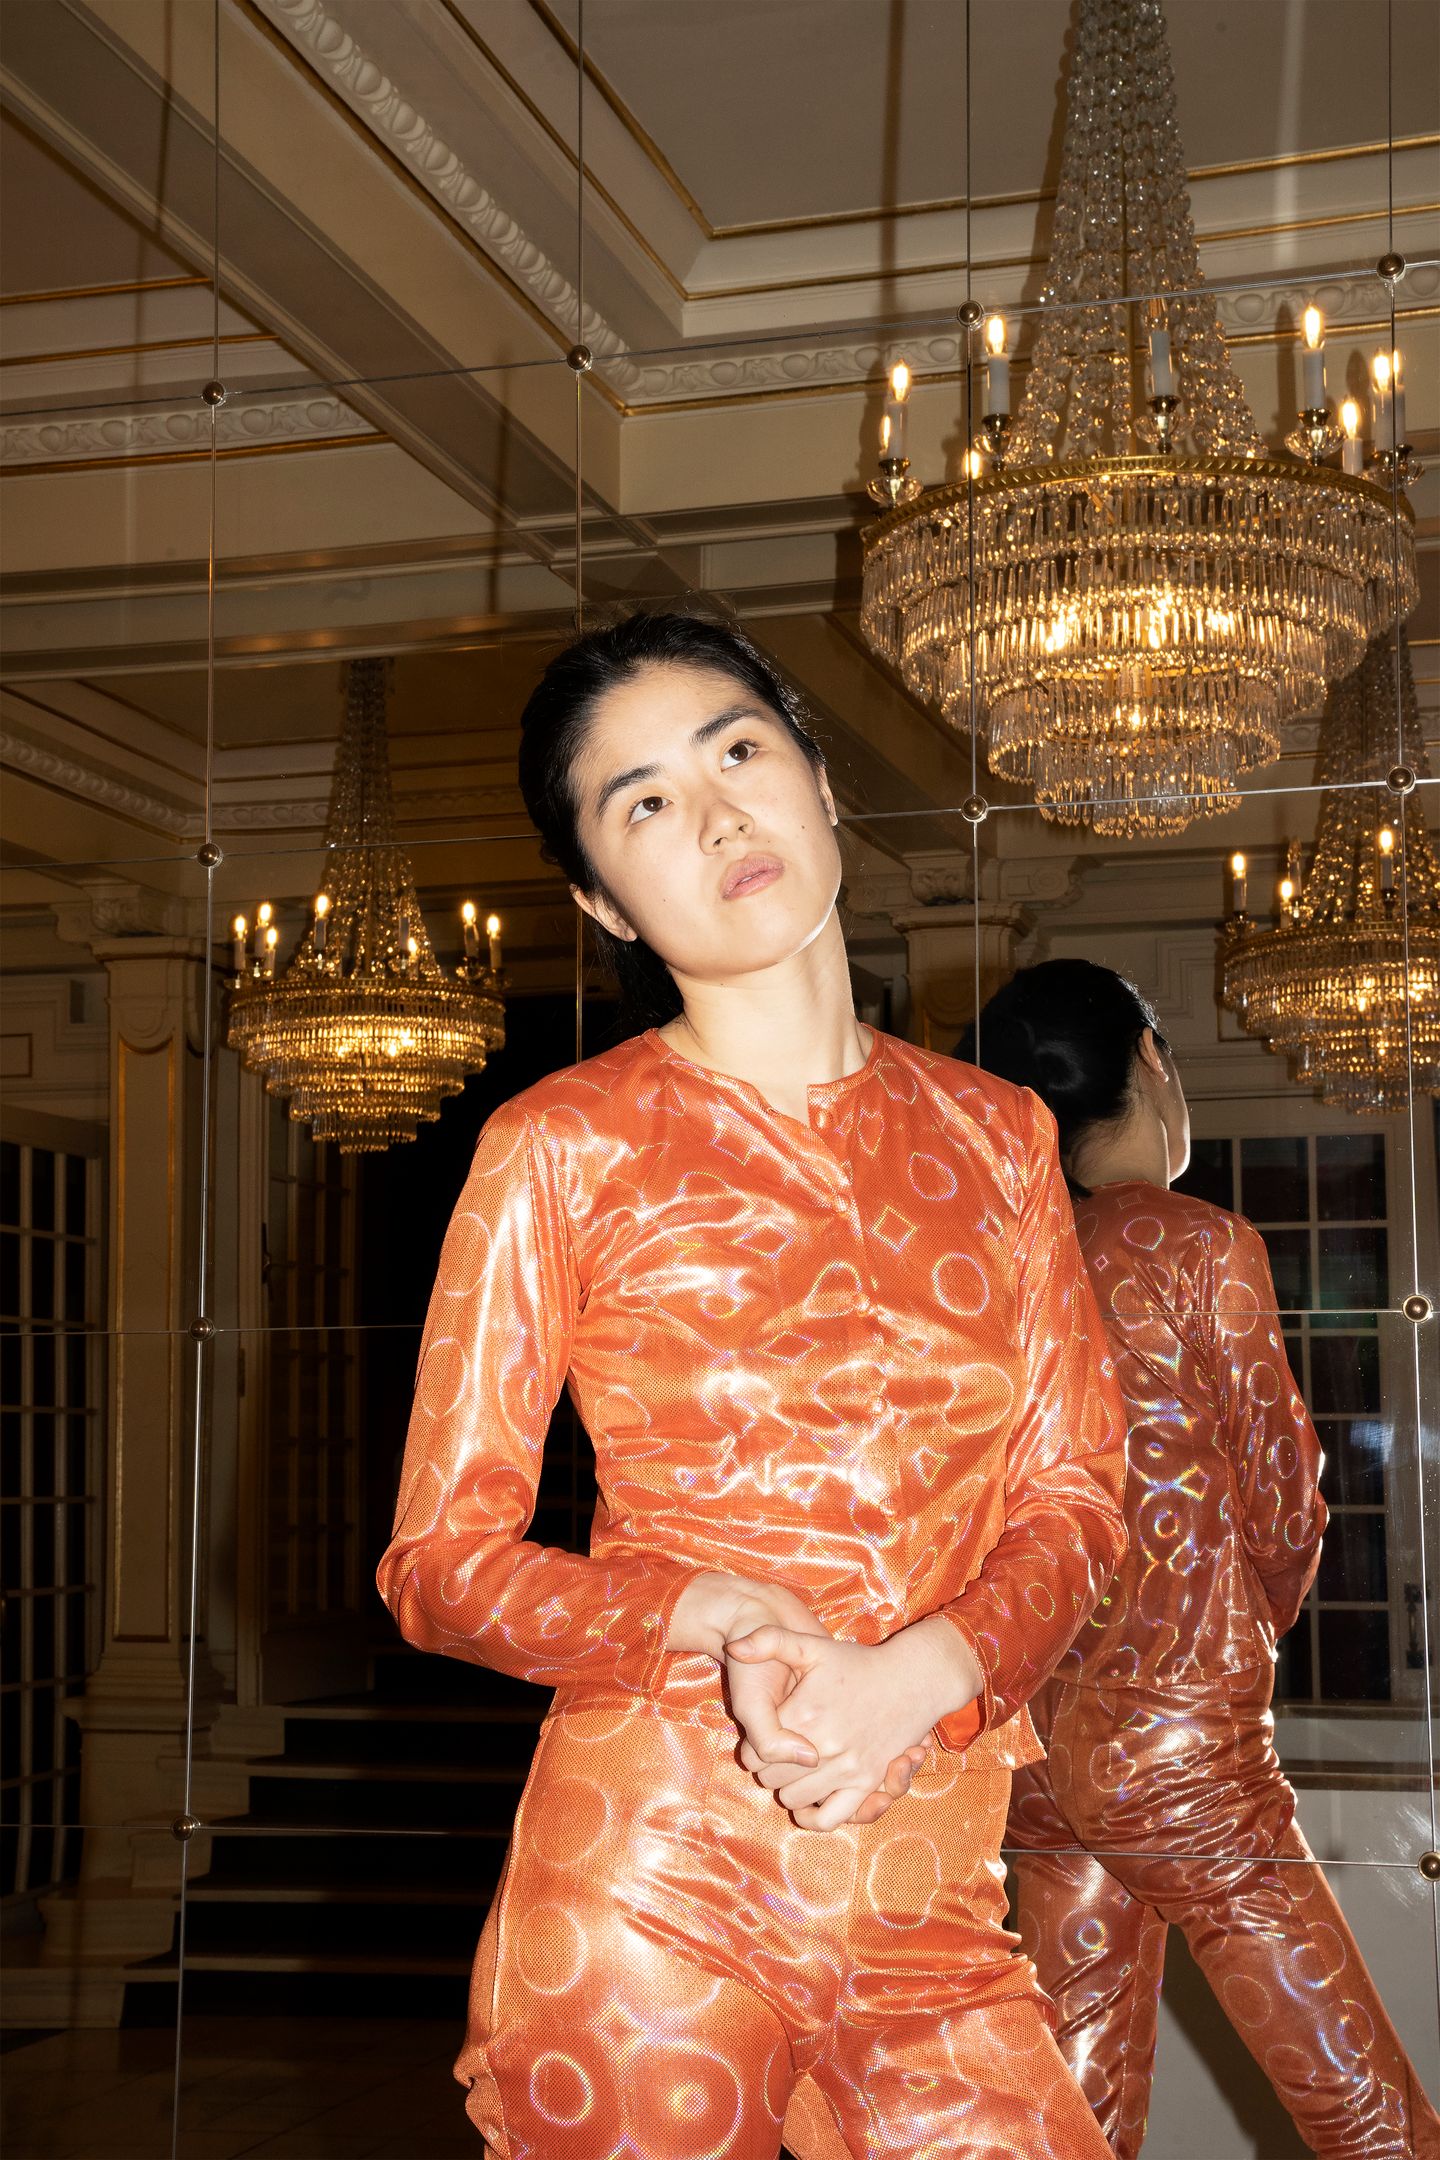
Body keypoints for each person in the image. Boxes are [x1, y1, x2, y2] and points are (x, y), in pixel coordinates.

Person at [377, 613, 1129, 2158]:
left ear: (819, 780)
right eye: (646, 800)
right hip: (654, 1887)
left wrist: (926, 1670)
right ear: (602, 899)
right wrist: (689, 1613)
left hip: (933, 1898)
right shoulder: (560, 1145)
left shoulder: (1000, 1135)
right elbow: (437, 1567)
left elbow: (1079, 1500)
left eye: (738, 750)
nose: (717, 813)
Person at [958, 958, 1440, 2160]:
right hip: (1186, 1754)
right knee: (1364, 2112)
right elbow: (1284, 1498)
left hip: (1043, 1745)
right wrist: (1236, 1635)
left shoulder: (1004, 1265)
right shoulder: (1198, 1245)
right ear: (1152, 1060)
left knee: (1079, 2106)